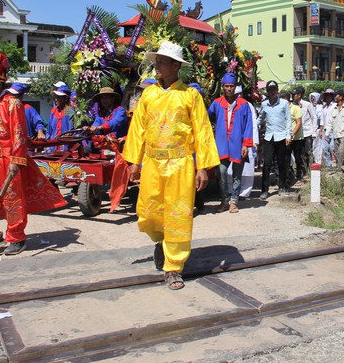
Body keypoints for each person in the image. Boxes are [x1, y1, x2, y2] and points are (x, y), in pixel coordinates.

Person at [123, 41, 219, 290]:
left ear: (176, 66)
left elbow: (202, 131)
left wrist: (202, 167)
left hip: (180, 163)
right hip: (153, 162)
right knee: (148, 212)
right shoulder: (148, 94)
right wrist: (134, 161)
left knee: (178, 215)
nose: (157, 65)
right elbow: (138, 129)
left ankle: (173, 267)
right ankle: (160, 241)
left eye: (162, 61)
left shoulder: (190, 95)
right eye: (157, 61)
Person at [0, 52, 66, 255]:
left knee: (12, 199)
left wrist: (16, 160)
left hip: (9, 160)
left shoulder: (12, 104)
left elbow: (20, 135)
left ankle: (16, 237)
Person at [207, 73, 253, 213]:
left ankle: (234, 201)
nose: (229, 89)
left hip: (238, 144)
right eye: (226, 86)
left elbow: (248, 125)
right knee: (221, 172)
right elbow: (208, 118)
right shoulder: (217, 103)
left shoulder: (244, 105)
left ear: (235, 87)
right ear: (223, 87)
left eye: (231, 86)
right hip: (221, 144)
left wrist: (246, 144)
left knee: (237, 175)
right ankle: (224, 201)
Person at [256, 80, 292, 199]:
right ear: (267, 91)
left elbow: (288, 120)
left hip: (281, 137)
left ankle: (281, 186)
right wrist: (252, 127)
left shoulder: (284, 103)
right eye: (270, 90)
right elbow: (260, 118)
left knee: (281, 163)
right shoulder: (264, 104)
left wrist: (288, 135)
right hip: (269, 137)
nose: (272, 92)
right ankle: (264, 190)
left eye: (274, 89)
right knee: (267, 163)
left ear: (277, 91)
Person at [327, 90, 344, 169]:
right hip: (335, 134)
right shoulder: (333, 109)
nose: (334, 97)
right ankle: (339, 167)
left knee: (341, 152)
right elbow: (330, 122)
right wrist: (327, 133)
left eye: (336, 95)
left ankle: (340, 169)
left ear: (341, 97)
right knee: (335, 152)